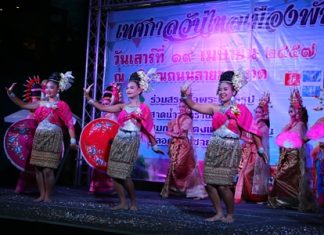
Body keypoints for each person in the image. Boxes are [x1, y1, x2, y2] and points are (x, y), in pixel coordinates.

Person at [180, 70, 266, 223]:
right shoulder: (215, 108)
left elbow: (253, 130)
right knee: (210, 183)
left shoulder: (240, 109)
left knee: (223, 185)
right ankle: (218, 212)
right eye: (220, 90)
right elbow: (193, 105)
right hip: (214, 147)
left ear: (233, 91)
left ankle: (230, 214)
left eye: (225, 89)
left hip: (230, 148)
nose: (222, 92)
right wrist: (185, 95)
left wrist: (260, 149)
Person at [84, 69, 164, 210]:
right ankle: (122, 202)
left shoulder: (144, 108)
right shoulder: (122, 106)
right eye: (127, 87)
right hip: (119, 139)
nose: (128, 90)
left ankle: (133, 203)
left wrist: (154, 145)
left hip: (131, 140)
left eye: (132, 87)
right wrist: (88, 98)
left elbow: (148, 128)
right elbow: (103, 107)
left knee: (125, 173)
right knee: (113, 172)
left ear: (140, 90)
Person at [6, 71, 77, 202]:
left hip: (53, 137)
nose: (48, 90)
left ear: (58, 89)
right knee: (38, 168)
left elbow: (69, 123)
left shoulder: (62, 105)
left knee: (48, 169)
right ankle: (42, 195)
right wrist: (11, 94)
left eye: (52, 87)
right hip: (39, 136)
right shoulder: (40, 103)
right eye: (47, 87)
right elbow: (23, 105)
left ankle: (48, 196)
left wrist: (73, 141)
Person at [268, 88, 318, 212]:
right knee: (287, 178)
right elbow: (280, 138)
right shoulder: (290, 124)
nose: (290, 108)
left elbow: (301, 141)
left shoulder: (300, 124)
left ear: (299, 111)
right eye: (290, 106)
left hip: (294, 156)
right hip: (286, 155)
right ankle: (287, 201)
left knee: (282, 177)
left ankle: (292, 201)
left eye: (293, 107)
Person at [160, 101, 207, 199]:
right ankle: (175, 189)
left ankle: (193, 190)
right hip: (175, 145)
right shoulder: (176, 119)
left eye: (183, 106)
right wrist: (172, 133)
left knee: (183, 166)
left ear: (188, 108)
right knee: (174, 166)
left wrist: (171, 133)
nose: (181, 108)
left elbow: (180, 134)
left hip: (184, 146)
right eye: (180, 106)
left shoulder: (188, 119)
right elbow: (171, 131)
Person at [234, 93, 270, 203]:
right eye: (257, 112)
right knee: (242, 174)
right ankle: (247, 196)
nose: (258, 114)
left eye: (260, 112)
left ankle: (257, 197)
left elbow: (260, 142)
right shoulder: (253, 123)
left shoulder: (263, 126)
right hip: (248, 152)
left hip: (257, 154)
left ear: (264, 114)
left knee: (248, 174)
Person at [88, 83, 122, 194]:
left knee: (112, 165)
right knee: (100, 163)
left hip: (113, 143)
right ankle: (98, 187)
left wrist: (115, 93)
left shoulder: (116, 112)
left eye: (107, 102)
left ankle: (114, 188)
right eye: (103, 102)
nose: (105, 104)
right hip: (102, 144)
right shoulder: (104, 115)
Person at [14, 76, 43, 194]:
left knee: (33, 165)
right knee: (32, 164)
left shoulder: (38, 106)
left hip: (35, 140)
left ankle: (27, 187)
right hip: (32, 141)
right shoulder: (37, 106)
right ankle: (31, 188)